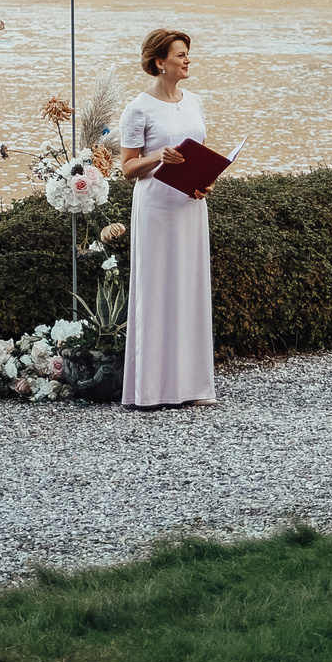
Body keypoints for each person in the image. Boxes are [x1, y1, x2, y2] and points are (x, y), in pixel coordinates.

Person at [114, 27, 216, 409]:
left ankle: (192, 386)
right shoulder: (138, 108)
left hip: (190, 205)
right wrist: (159, 156)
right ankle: (152, 390)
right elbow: (127, 168)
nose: (188, 60)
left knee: (189, 288)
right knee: (156, 290)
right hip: (156, 208)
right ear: (160, 63)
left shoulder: (195, 102)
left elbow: (201, 152)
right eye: (180, 55)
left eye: (187, 54)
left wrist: (206, 182)